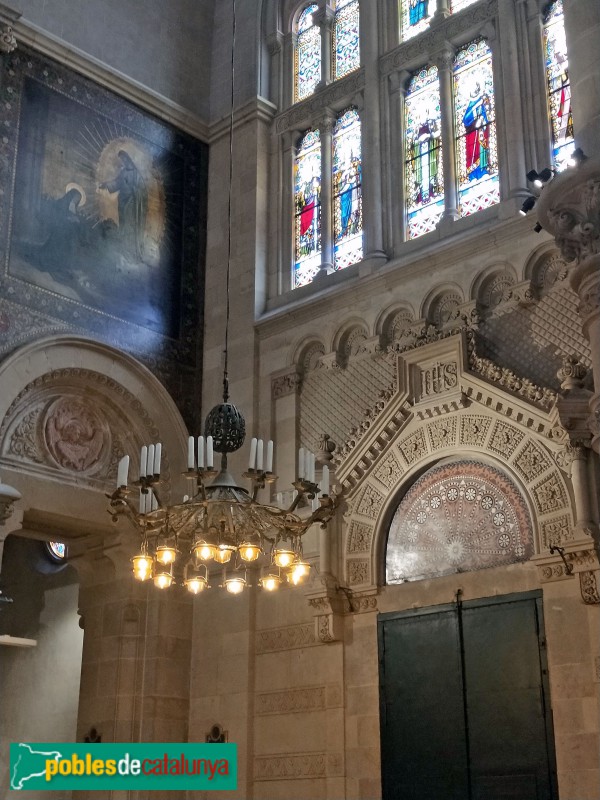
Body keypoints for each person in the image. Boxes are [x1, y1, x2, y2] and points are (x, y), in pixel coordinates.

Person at [99, 150, 148, 260]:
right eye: (122, 160)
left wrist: (135, 192)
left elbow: (143, 191)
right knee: (124, 223)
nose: (123, 161)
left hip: (132, 205)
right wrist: (106, 185)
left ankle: (131, 249)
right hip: (122, 202)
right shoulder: (123, 172)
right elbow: (116, 183)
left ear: (128, 158)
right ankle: (124, 247)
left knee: (130, 224)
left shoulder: (136, 174)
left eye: (124, 159)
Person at [462, 82, 491, 181]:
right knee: (472, 154)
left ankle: (483, 171)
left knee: (482, 150)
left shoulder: (481, 101)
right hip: (471, 134)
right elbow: (466, 119)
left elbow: (485, 116)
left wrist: (482, 120)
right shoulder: (471, 104)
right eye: (473, 88)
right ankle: (472, 175)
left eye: (476, 88)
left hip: (480, 131)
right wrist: (475, 109)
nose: (475, 90)